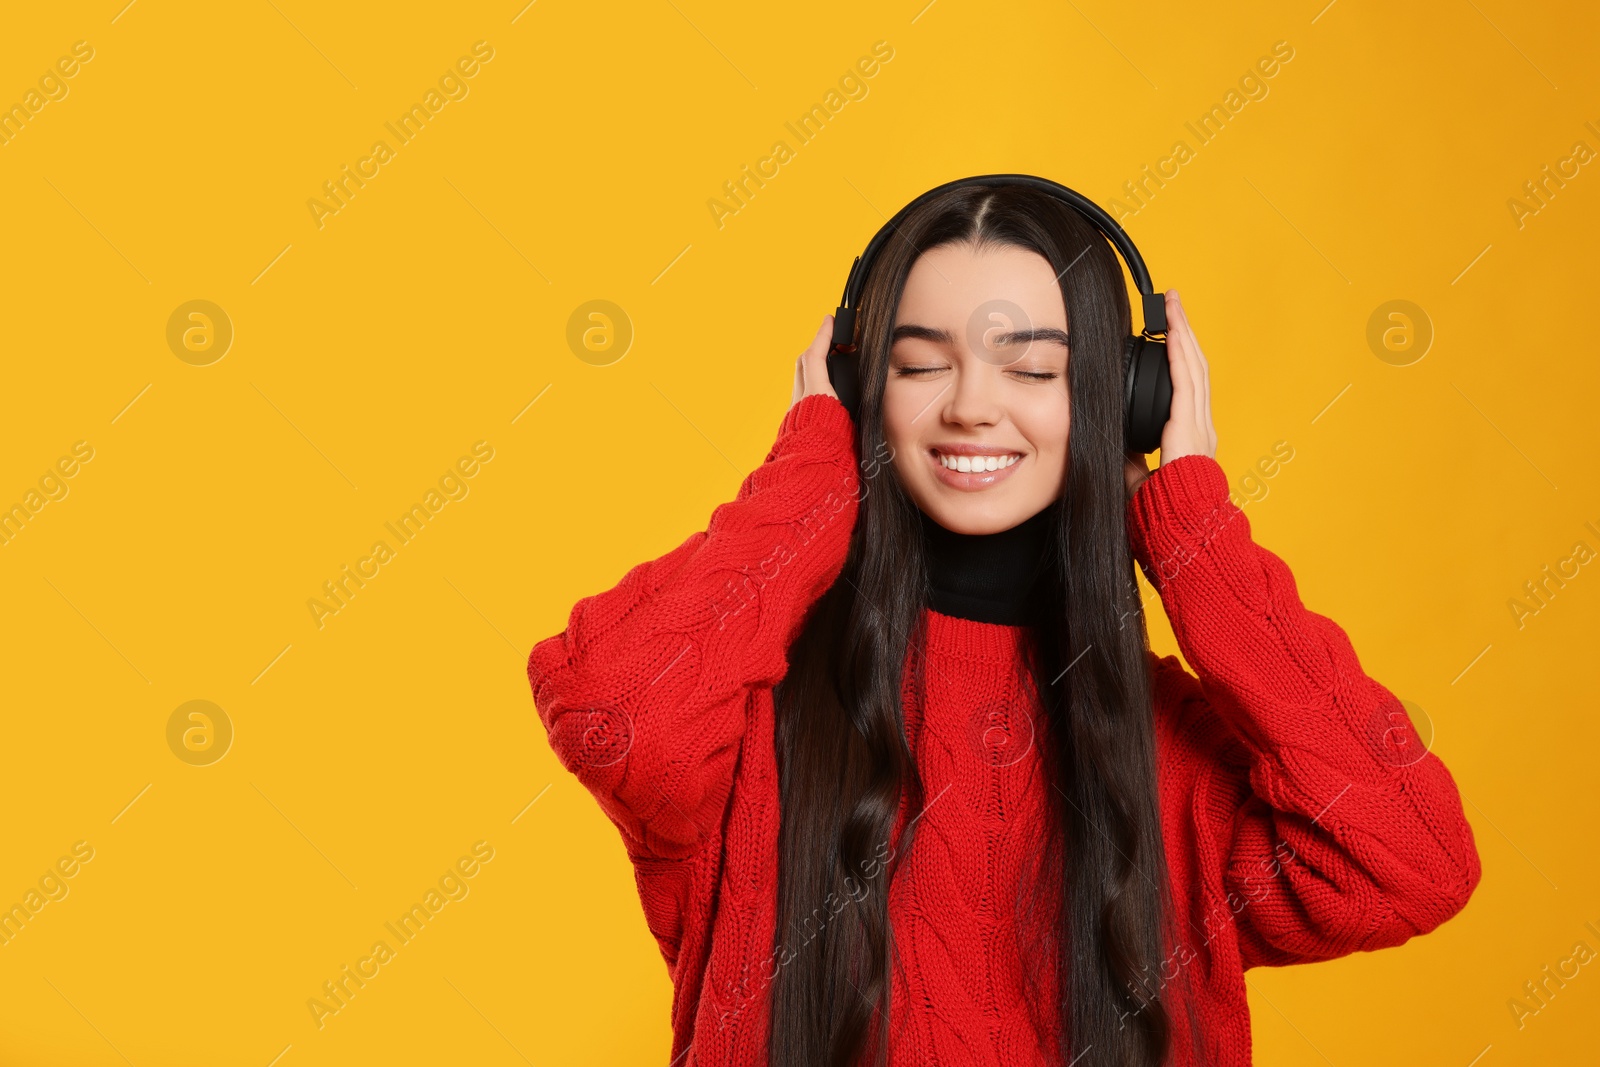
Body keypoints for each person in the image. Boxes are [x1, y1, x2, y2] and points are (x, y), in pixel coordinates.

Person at [525, 182, 1482, 1067]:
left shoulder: (1175, 758)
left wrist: (1192, 531)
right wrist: (811, 471)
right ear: (861, 390)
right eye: (918, 363)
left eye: (1031, 368)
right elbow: (613, 710)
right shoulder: (751, 719)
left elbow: (1410, 863)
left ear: (1126, 400)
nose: (971, 405)